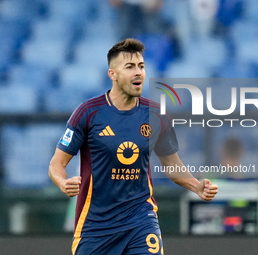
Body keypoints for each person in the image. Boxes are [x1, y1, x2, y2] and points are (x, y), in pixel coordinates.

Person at [48, 38, 218, 255]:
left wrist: (196, 186)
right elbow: (56, 164)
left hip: (141, 220)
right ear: (113, 74)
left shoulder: (156, 114)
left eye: (141, 66)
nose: (138, 72)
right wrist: (63, 182)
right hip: (96, 226)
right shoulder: (88, 113)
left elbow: (172, 164)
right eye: (130, 67)